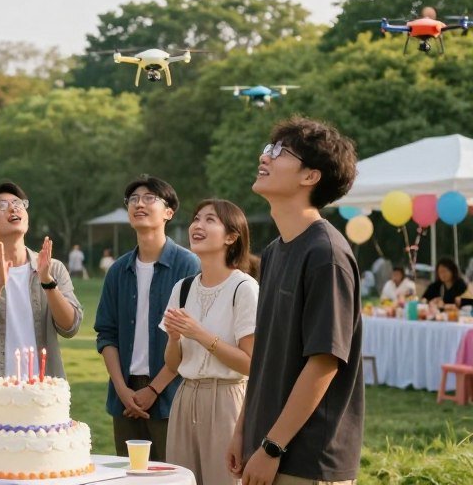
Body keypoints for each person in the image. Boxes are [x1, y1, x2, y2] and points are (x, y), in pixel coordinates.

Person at [227, 117, 363, 485]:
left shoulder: (326, 254)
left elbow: (324, 362)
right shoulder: (273, 253)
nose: (264, 157)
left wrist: (273, 447)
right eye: (268, 148)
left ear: (310, 176)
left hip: (305, 457)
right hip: (267, 444)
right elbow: (267, 356)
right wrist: (244, 428)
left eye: (278, 152)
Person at [0, 181, 82, 421]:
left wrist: (47, 282)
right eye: (2, 205)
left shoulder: (53, 268)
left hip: (44, 398)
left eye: (19, 204)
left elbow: (70, 326)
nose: (14, 209)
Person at [95, 175, 200, 461]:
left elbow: (193, 338)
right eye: (133, 199)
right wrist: (122, 389)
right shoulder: (118, 271)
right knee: (132, 476)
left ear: (169, 212)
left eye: (149, 198)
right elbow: (106, 334)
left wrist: (154, 389)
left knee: (173, 475)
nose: (139, 204)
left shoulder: (188, 265)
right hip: (125, 395)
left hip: (171, 394)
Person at [162, 199, 258, 485]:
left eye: (210, 220)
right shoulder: (184, 287)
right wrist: (174, 337)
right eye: (196, 218)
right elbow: (173, 363)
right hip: (185, 398)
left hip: (227, 401)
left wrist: (199, 334)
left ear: (231, 237)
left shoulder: (244, 288)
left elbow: (252, 364)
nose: (197, 225)